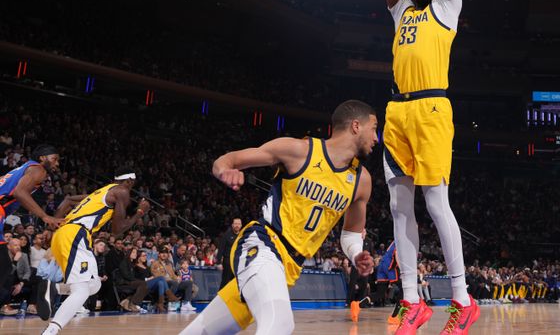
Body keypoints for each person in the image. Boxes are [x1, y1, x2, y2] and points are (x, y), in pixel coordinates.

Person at [380, 0, 478, 334]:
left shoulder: (447, 8)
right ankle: (410, 299)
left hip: (433, 107)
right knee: (400, 208)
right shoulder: (402, 12)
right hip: (397, 110)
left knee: (436, 204)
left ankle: (461, 297)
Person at [180, 100, 378, 335]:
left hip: (289, 267)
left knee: (201, 332)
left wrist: (356, 254)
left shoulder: (361, 180)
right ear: (356, 126)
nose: (377, 138)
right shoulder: (299, 150)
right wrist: (225, 170)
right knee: (280, 325)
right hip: (263, 244)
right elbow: (225, 160)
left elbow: (352, 234)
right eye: (374, 128)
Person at [39, 170, 150, 334]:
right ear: (130, 180)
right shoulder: (122, 191)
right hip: (75, 235)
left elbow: (68, 200)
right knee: (83, 290)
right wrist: (140, 212)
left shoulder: (100, 193)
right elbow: (117, 231)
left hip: (68, 234)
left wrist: (51, 228)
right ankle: (51, 329)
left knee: (94, 284)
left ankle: (56, 289)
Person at [0, 145, 78, 288]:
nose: (57, 163)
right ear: (42, 158)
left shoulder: (25, 168)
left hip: (2, 210)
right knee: (4, 267)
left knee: (4, 266)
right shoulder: (38, 169)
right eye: (54, 159)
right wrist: (45, 216)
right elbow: (20, 192)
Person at [216, 218, 242, 288]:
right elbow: (221, 249)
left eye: (239, 224)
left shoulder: (242, 236)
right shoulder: (226, 235)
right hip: (227, 262)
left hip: (238, 262)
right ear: (232, 225)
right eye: (235, 224)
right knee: (225, 281)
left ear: (241, 225)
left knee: (236, 282)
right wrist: (218, 263)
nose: (237, 225)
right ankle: (220, 298)